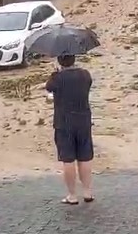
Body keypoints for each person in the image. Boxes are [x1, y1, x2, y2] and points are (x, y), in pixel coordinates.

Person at [45, 54, 94, 205]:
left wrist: (55, 73)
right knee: (84, 157)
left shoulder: (57, 78)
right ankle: (87, 192)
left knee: (68, 159)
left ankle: (72, 195)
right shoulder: (85, 75)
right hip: (84, 120)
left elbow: (49, 89)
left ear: (59, 61)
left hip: (64, 123)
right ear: (74, 59)